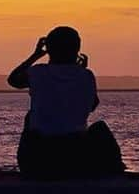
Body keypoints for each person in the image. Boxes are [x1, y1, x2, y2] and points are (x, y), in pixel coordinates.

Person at [7, 26, 125, 179]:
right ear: (77, 49)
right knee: (100, 128)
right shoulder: (86, 75)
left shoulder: (38, 72)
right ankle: (116, 170)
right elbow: (91, 106)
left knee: (30, 118)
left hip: (38, 159)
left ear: (49, 49)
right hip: (75, 156)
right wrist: (80, 73)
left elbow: (13, 80)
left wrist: (35, 55)